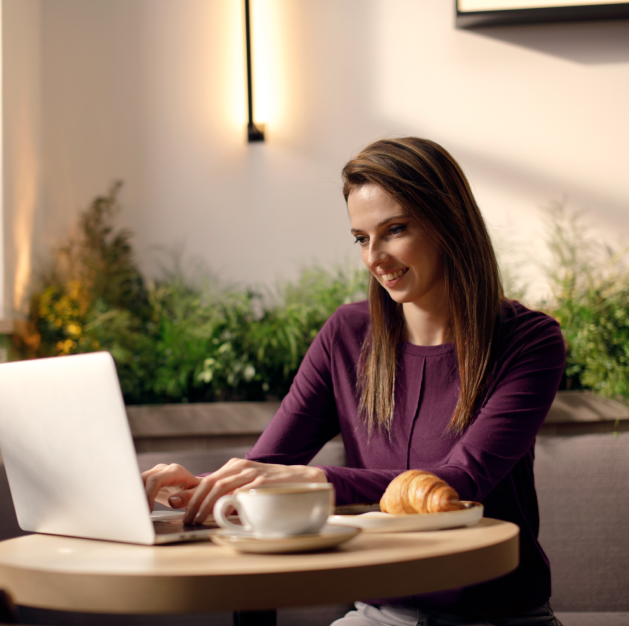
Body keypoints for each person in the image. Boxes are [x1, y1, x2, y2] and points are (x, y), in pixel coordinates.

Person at [142, 137, 566, 626]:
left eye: (395, 230)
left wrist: (319, 480)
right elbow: (270, 465)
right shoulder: (346, 335)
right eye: (362, 238)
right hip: (380, 615)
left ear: (450, 222)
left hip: (499, 618)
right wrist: (200, 490)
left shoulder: (529, 341)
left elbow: (459, 483)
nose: (375, 257)